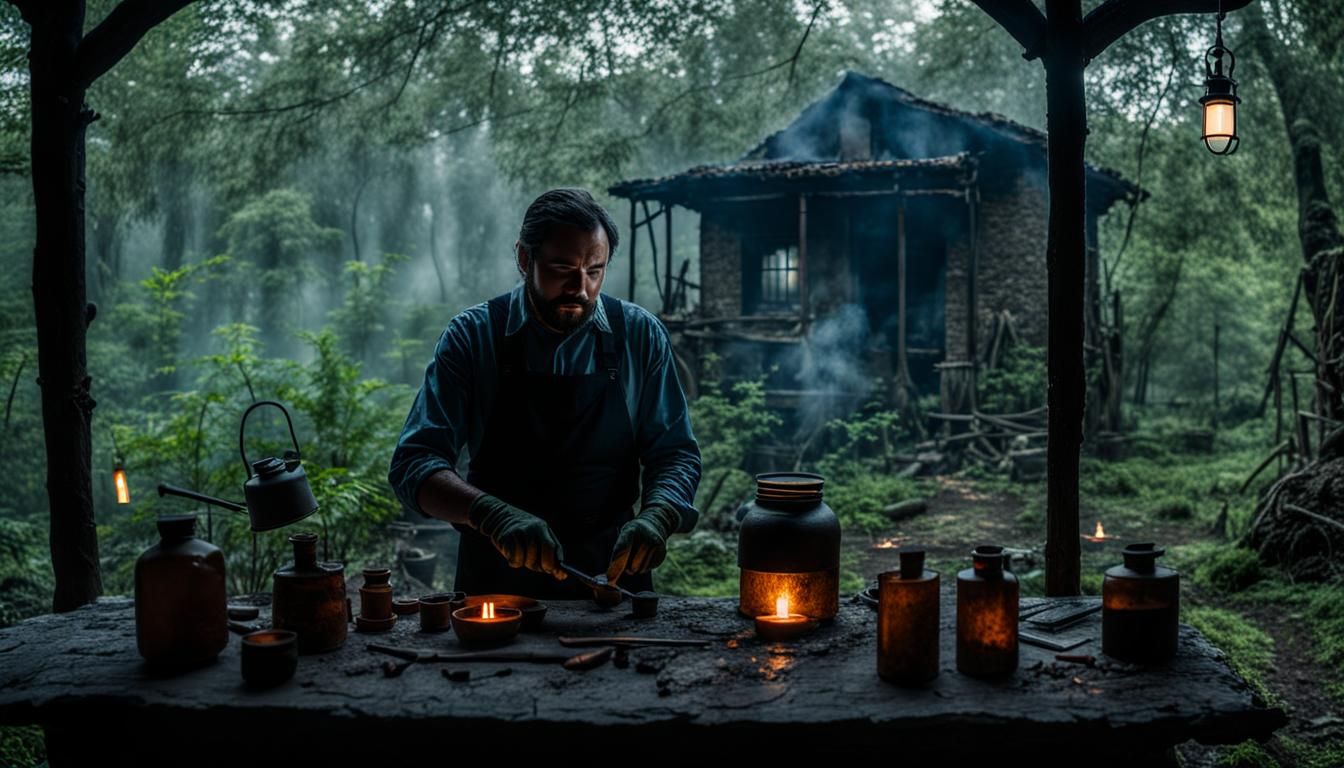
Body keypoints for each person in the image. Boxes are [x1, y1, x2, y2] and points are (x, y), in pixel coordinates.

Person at [388, 188, 701, 599]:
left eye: (595, 271)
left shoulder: (640, 336)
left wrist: (658, 515)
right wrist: (491, 515)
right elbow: (414, 463)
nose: (581, 289)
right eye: (562, 268)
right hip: (496, 591)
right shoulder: (473, 337)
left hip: (612, 587)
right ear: (524, 258)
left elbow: (676, 454)